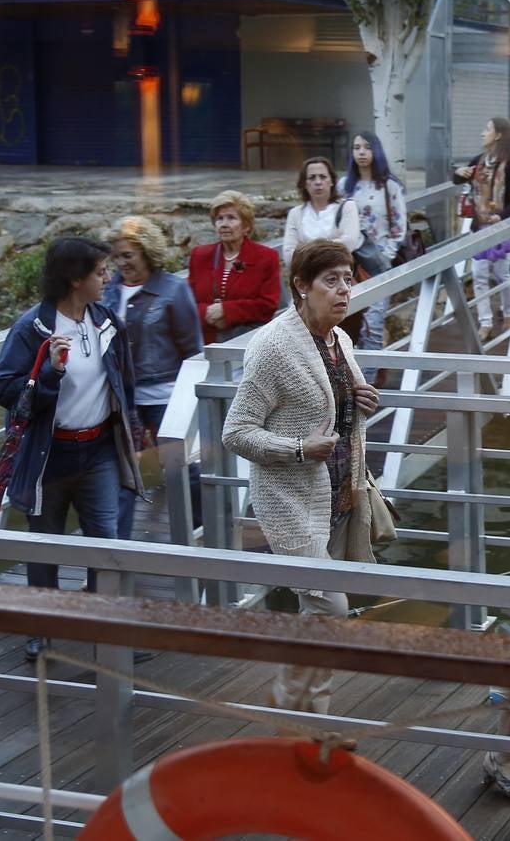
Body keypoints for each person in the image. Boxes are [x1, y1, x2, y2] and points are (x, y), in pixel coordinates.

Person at [220, 240, 381, 715]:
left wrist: (362, 403)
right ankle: (290, 708)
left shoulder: (341, 340)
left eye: (348, 278)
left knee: (319, 616)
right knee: (329, 606)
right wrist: (297, 448)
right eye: (331, 281)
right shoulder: (272, 346)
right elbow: (237, 432)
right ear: (301, 286)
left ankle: (313, 722)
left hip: (337, 495)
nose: (344, 290)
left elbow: (334, 410)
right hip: (290, 500)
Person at [0, 236, 143, 662]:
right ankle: (43, 629)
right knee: (46, 544)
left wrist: (130, 424)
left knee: (106, 543)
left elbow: (123, 382)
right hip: (49, 453)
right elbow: (7, 392)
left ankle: (106, 631)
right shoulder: (32, 328)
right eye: (100, 273)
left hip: (97, 450)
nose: (108, 278)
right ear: (75, 279)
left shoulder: (108, 321)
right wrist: (50, 376)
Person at [101, 216, 205, 539]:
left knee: (183, 470)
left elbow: (193, 349)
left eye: (128, 255)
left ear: (146, 252)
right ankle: (118, 547)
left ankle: (197, 533)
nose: (121, 263)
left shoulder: (174, 289)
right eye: (116, 256)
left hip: (167, 395)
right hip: (122, 397)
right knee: (123, 470)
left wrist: (189, 399)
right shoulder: (108, 289)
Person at [339, 131, 408, 383]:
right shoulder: (345, 185)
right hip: (350, 265)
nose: (361, 152)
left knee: (374, 322)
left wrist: (385, 256)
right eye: (356, 147)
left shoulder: (389, 185)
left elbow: (400, 226)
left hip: (379, 264)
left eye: (366, 147)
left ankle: (366, 386)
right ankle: (359, 377)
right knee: (350, 323)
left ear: (375, 151)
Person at [454, 117, 510, 343]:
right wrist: (459, 173)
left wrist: (500, 216)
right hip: (479, 225)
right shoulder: (479, 161)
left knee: (502, 273)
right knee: (479, 274)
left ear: (499, 135)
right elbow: (456, 179)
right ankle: (485, 322)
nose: (483, 133)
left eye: (487, 129)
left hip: (501, 228)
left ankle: (509, 314)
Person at [186, 190, 282, 344]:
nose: (224, 224)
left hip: (247, 341)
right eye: (219, 218)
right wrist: (207, 313)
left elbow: (268, 305)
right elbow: (187, 303)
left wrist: (227, 311)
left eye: (231, 218)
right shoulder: (200, 256)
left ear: (246, 226)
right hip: (207, 341)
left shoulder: (265, 257)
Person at [282, 156, 360, 270]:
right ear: (304, 183)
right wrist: (331, 245)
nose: (318, 182)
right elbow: (289, 256)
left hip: (339, 277)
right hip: (308, 278)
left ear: (332, 181)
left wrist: (307, 249)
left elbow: (348, 244)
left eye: (323, 177)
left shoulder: (347, 207)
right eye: (312, 178)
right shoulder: (295, 214)